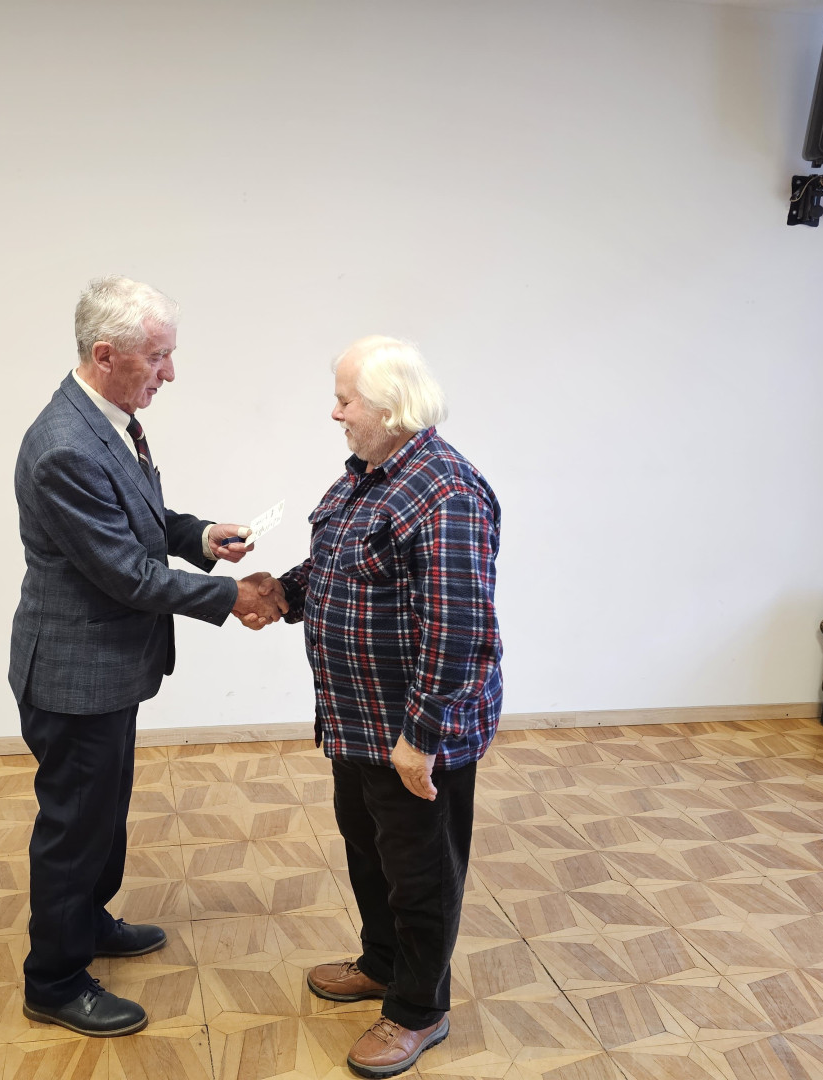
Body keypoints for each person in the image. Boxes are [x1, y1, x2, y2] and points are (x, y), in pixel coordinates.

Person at [9, 275, 286, 1037]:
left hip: (106, 667)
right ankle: (55, 981)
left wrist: (198, 536)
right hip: (74, 674)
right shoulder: (64, 446)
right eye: (158, 356)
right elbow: (125, 573)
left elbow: (135, 519)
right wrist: (232, 596)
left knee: (102, 814)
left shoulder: (107, 420)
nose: (170, 372)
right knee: (74, 828)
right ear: (106, 355)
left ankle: (88, 921)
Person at [272, 336, 502, 1078]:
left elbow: (457, 628)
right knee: (369, 849)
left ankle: (418, 1009)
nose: (335, 413)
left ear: (391, 407)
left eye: (346, 400)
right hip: (356, 720)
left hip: (409, 734)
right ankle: (381, 963)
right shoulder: (364, 480)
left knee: (421, 872)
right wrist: (279, 594)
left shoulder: (446, 492)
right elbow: (333, 566)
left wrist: (421, 736)